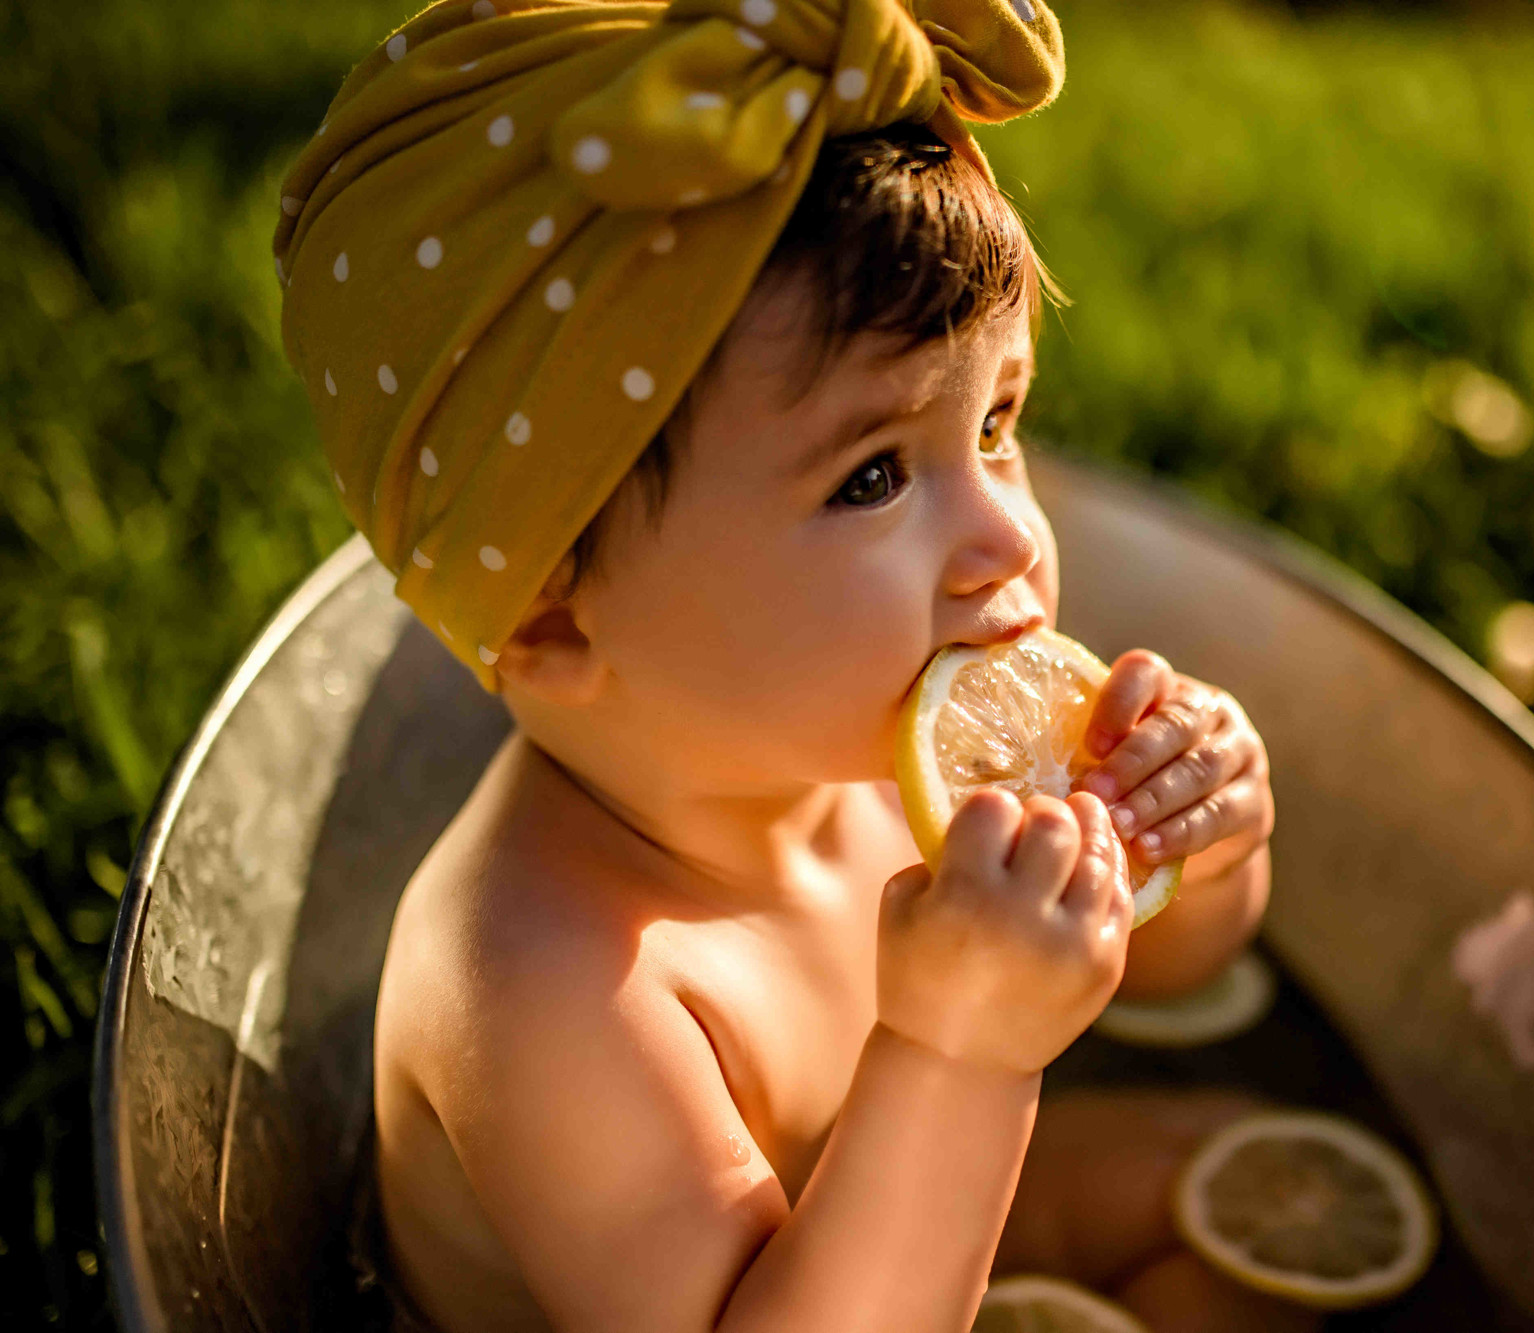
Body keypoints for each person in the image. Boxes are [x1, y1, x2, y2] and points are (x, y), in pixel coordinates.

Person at [276, 2, 1308, 1329]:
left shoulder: (887, 742)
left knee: (1237, 1196)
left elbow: (1160, 967)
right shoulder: (545, 982)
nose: (1007, 533)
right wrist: (961, 1051)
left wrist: (1201, 846)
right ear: (552, 618)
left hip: (903, 1223)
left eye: (996, 421)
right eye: (873, 476)